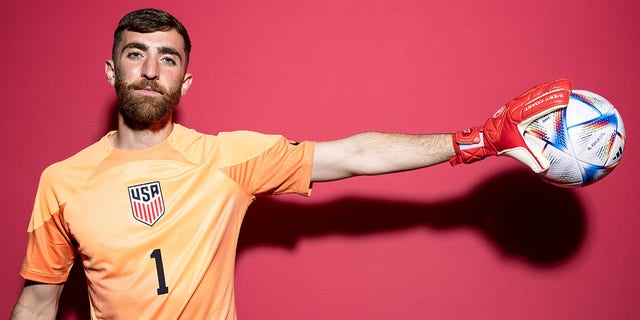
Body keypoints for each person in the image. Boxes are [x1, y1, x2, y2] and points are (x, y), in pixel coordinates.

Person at [10, 8, 572, 320]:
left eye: (169, 58)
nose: (151, 69)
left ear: (186, 80)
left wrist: (476, 140)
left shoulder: (227, 158)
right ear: (111, 71)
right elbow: (37, 305)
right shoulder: (63, 182)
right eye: (136, 54)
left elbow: (352, 154)